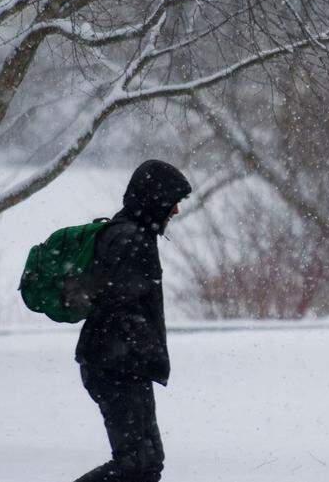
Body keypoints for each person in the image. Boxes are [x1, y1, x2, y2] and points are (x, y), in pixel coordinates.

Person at [73, 159, 192, 482]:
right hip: (116, 365)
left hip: (122, 364)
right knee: (135, 462)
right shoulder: (130, 239)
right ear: (155, 198)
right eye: (173, 202)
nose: (176, 211)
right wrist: (146, 350)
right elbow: (121, 306)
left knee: (148, 462)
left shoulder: (128, 233)